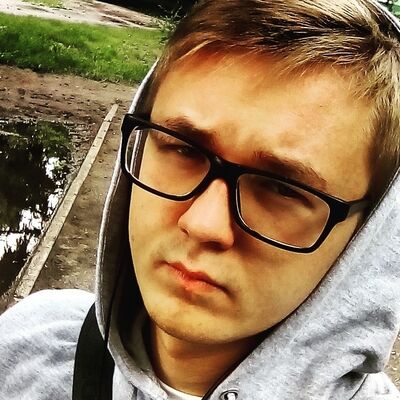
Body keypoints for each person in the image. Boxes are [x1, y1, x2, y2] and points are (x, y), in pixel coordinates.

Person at [0, 0, 399, 399]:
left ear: (367, 234)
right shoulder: (30, 349)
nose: (203, 224)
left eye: (282, 188)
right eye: (183, 149)